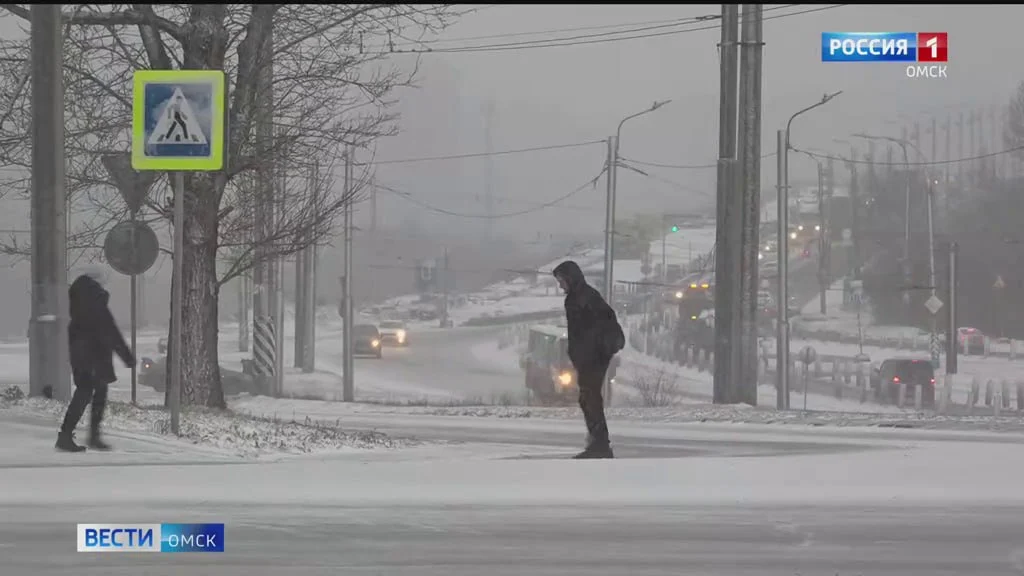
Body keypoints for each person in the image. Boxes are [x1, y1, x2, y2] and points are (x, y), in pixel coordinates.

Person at [552, 260, 625, 459]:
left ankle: (600, 443)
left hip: (594, 355)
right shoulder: (582, 296)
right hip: (592, 355)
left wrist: (586, 351)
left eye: (561, 280)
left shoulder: (582, 298)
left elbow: (590, 328)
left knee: (589, 397)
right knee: (588, 397)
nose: (560, 285)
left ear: (570, 278)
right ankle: (597, 440)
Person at [56, 273, 135, 452]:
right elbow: (111, 331)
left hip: (85, 358)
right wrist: (127, 356)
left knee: (97, 392)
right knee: (86, 394)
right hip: (94, 359)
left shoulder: (77, 307)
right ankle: (67, 436)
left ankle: (87, 436)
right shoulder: (96, 305)